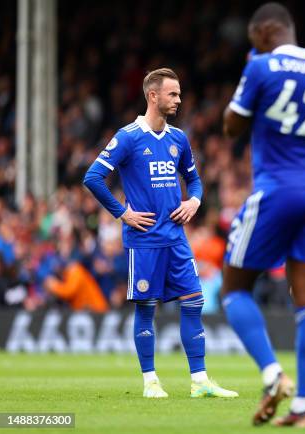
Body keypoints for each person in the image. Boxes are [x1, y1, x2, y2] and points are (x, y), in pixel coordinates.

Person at [83, 68, 237, 399]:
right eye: (173, 94)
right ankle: (150, 381)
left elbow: (194, 179)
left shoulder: (178, 138)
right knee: (146, 309)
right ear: (153, 96)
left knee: (194, 303)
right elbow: (93, 177)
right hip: (145, 241)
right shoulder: (127, 137)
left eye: (179, 94)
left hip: (177, 238)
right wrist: (122, 213)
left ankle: (200, 381)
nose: (179, 100)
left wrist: (194, 200)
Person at [222, 2, 305, 427]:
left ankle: (273, 376)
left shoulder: (261, 67)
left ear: (267, 31)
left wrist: (251, 67)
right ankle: (303, 407)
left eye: (254, 39)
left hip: (277, 190)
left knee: (235, 288)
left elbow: (232, 126)